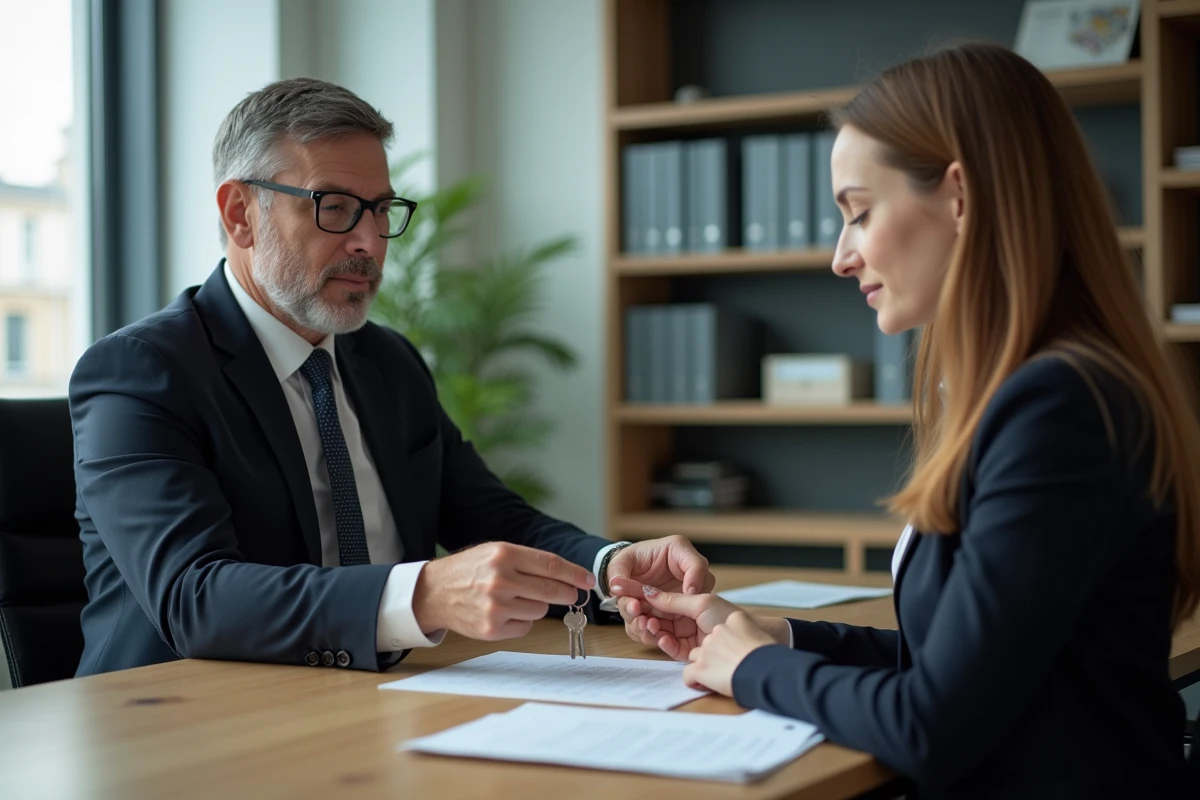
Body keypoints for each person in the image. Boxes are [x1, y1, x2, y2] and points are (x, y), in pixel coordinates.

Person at [612, 43, 1200, 797]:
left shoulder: (1058, 409)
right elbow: (952, 667)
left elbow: (933, 724)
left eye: (859, 213)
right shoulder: (1041, 391)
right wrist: (767, 636)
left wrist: (756, 669)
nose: (840, 257)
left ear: (959, 197)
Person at [70, 77, 713, 677]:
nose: (370, 243)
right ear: (240, 214)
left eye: (380, 211)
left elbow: (491, 519)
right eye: (335, 207)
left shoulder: (387, 361)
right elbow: (194, 597)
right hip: (183, 714)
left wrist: (609, 570)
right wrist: (423, 593)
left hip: (378, 694)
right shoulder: (142, 371)